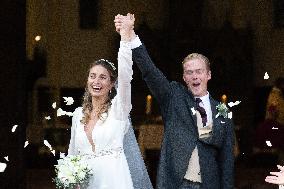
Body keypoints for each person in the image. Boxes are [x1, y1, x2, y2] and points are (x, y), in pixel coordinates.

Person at [114, 14, 235, 189]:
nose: (194, 76)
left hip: (209, 184)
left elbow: (226, 159)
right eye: (189, 72)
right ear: (184, 77)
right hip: (175, 182)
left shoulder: (222, 110)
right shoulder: (173, 96)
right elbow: (150, 71)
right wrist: (131, 35)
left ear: (208, 75)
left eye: (199, 71)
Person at [67, 18, 153, 189]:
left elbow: (125, 74)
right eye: (92, 76)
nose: (96, 81)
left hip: (114, 181)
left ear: (112, 84)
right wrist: (70, 176)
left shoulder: (118, 110)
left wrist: (125, 39)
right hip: (86, 184)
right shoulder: (78, 114)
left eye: (103, 77)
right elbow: (73, 154)